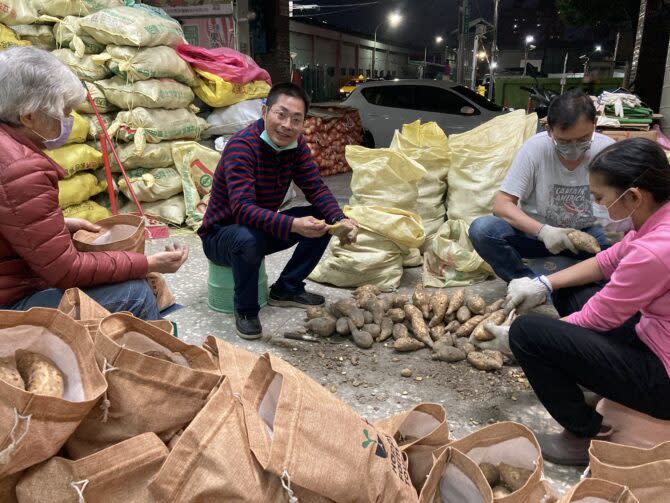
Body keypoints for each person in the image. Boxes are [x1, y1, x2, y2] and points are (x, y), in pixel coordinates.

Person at [485, 138, 670, 465]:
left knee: (528, 334)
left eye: (600, 198)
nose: (597, 205)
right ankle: (598, 380)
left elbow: (597, 319)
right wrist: (543, 283)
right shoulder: (657, 219)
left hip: (663, 378)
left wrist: (519, 341)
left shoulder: (655, 251)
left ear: (634, 196)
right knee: (571, 288)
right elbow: (608, 261)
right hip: (653, 333)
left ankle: (583, 433)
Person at [0, 47, 188, 320]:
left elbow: (11, 218)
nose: (67, 121)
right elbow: (66, 270)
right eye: (63, 112)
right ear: (28, 116)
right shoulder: (22, 169)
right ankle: (145, 358)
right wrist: (147, 262)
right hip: (10, 302)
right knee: (135, 292)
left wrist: (58, 227)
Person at [199, 83, 358, 340]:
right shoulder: (242, 147)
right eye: (280, 114)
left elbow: (316, 188)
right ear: (264, 112)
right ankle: (247, 310)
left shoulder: (296, 147)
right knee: (248, 237)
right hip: (221, 236)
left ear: (303, 122)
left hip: (258, 230)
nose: (287, 125)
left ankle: (287, 288)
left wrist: (340, 220)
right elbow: (242, 210)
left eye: (296, 119)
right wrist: (293, 225)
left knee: (322, 219)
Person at [468, 89, 615, 282]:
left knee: (622, 249)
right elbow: (502, 205)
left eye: (582, 139)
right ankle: (527, 282)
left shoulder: (607, 151)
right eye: (564, 141)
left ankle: (576, 279)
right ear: (549, 131)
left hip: (587, 236)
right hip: (538, 237)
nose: (574, 148)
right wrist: (544, 231)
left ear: (594, 125)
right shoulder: (534, 149)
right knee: (482, 230)